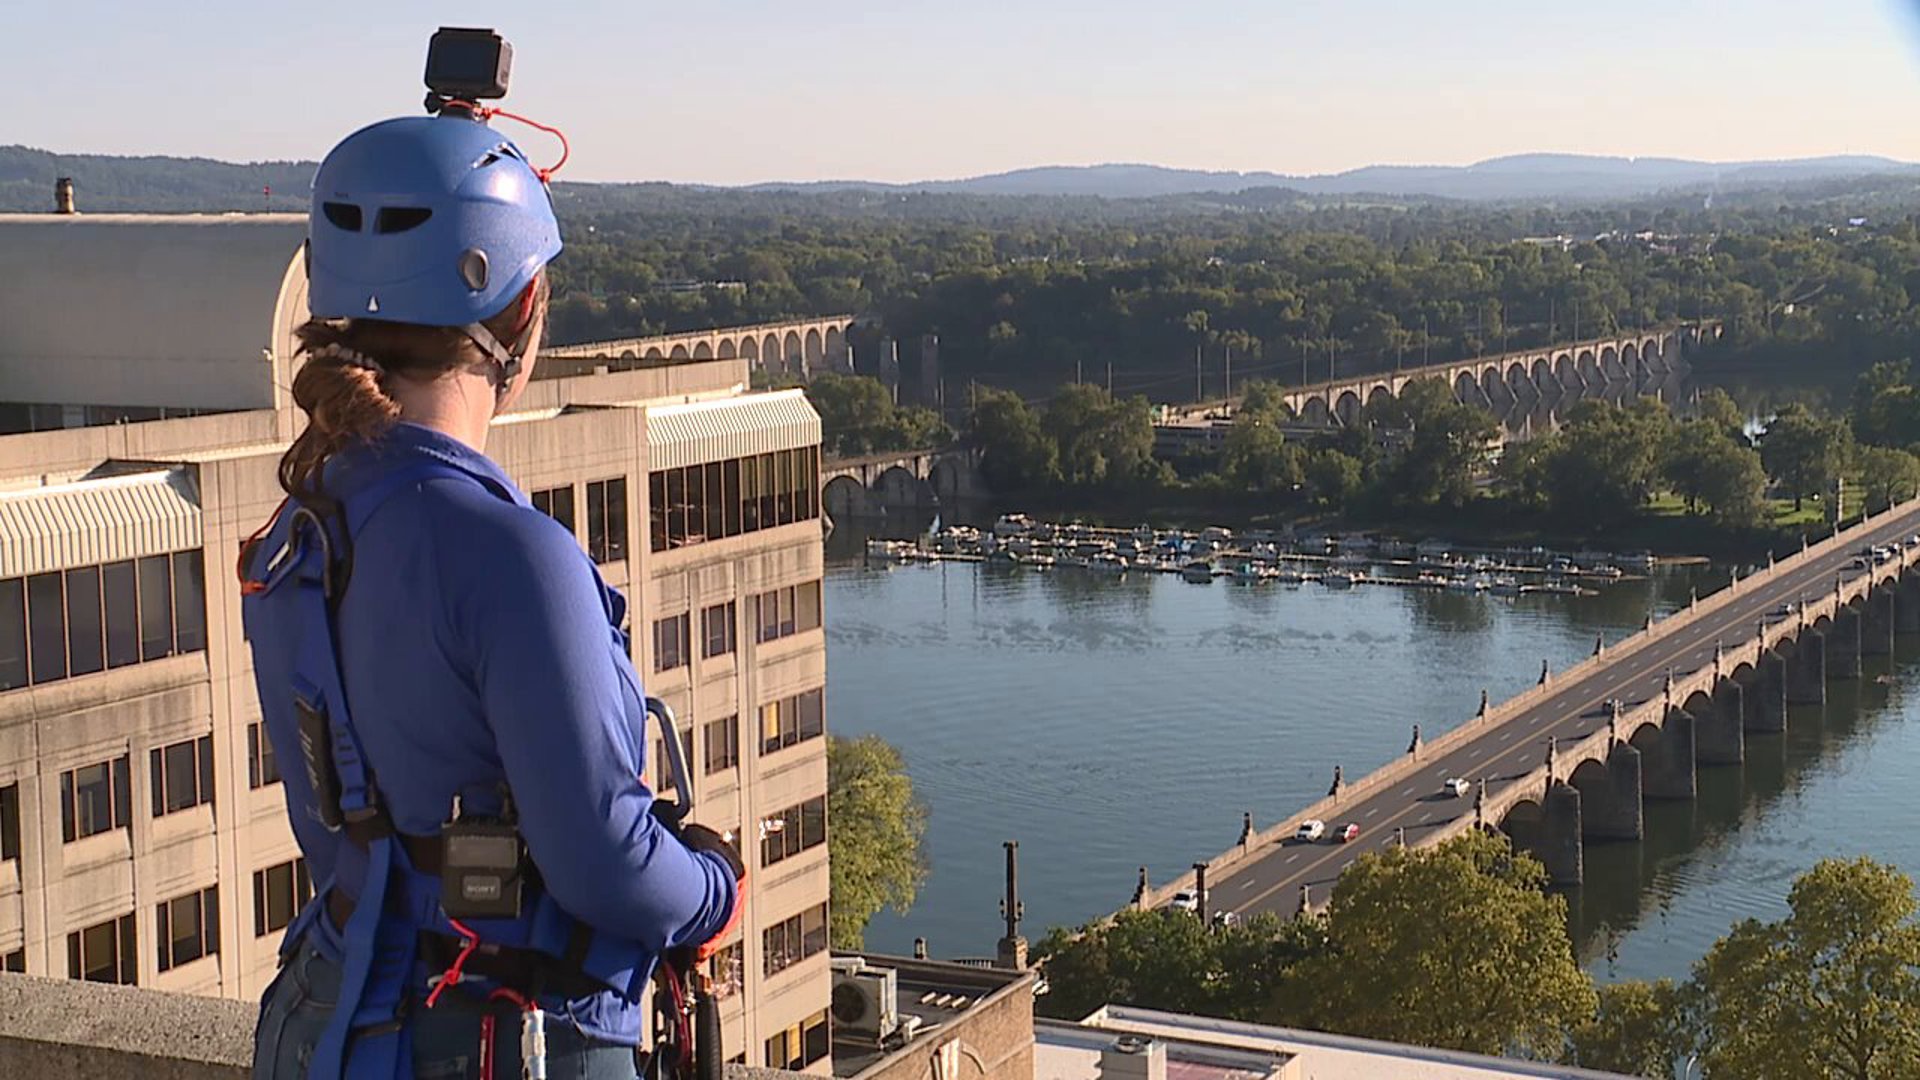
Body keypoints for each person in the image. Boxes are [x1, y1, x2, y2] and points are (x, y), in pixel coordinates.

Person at [240, 108, 742, 1080]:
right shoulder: (515, 558)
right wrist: (715, 891)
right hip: (494, 1038)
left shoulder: (304, 528)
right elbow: (606, 862)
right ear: (523, 314)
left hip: (325, 1018)